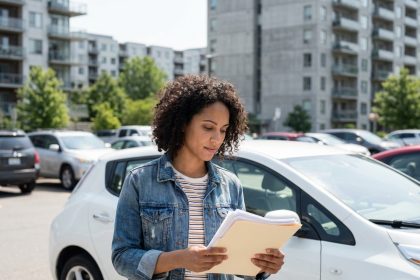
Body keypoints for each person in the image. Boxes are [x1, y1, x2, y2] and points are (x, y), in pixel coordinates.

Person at [112, 75, 285, 280]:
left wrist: (262, 266)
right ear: (183, 123)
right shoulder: (139, 181)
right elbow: (122, 258)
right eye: (208, 127)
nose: (216, 139)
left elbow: (237, 263)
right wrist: (178, 259)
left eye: (223, 130)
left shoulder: (230, 185)